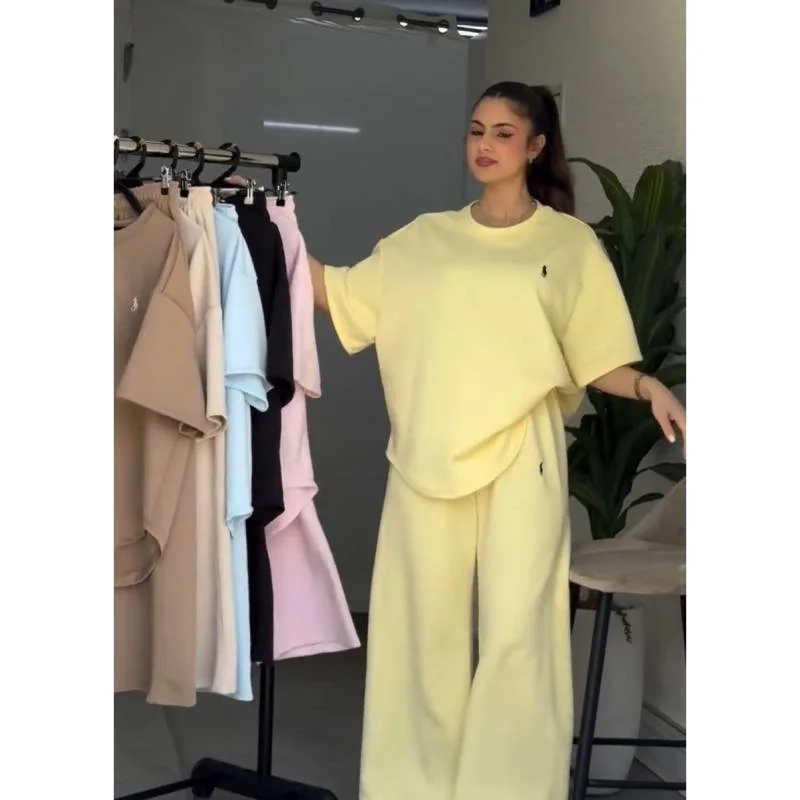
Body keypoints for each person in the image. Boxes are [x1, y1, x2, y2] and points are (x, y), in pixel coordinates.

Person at [307, 82, 687, 800]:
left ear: (536, 146)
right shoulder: (425, 240)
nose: (484, 145)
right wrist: (263, 233)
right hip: (425, 459)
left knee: (519, 634)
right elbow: (344, 294)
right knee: (419, 632)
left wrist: (648, 387)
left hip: (523, 454)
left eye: (504, 133)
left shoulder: (567, 243)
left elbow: (596, 356)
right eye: (477, 130)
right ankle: (409, 788)